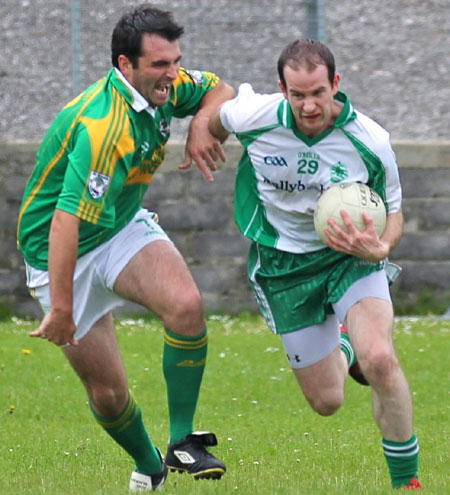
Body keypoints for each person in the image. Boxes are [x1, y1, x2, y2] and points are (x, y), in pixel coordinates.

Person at [17, 4, 234, 491]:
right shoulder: (102, 127)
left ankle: (182, 442)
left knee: (186, 306)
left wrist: (200, 125)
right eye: (159, 65)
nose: (172, 74)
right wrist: (63, 307)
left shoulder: (169, 86)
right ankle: (150, 463)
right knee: (109, 394)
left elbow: (222, 90)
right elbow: (64, 221)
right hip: (60, 246)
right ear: (124, 66)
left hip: (117, 226)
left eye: (175, 60)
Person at [208, 39, 421, 490]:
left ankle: (407, 483)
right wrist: (200, 132)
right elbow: (215, 115)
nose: (309, 105)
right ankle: (344, 344)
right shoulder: (256, 118)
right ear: (281, 89)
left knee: (380, 360)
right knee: (327, 401)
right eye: (298, 94)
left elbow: (395, 211)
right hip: (284, 266)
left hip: (351, 259)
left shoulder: (370, 140)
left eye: (318, 93)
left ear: (336, 85)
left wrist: (381, 250)